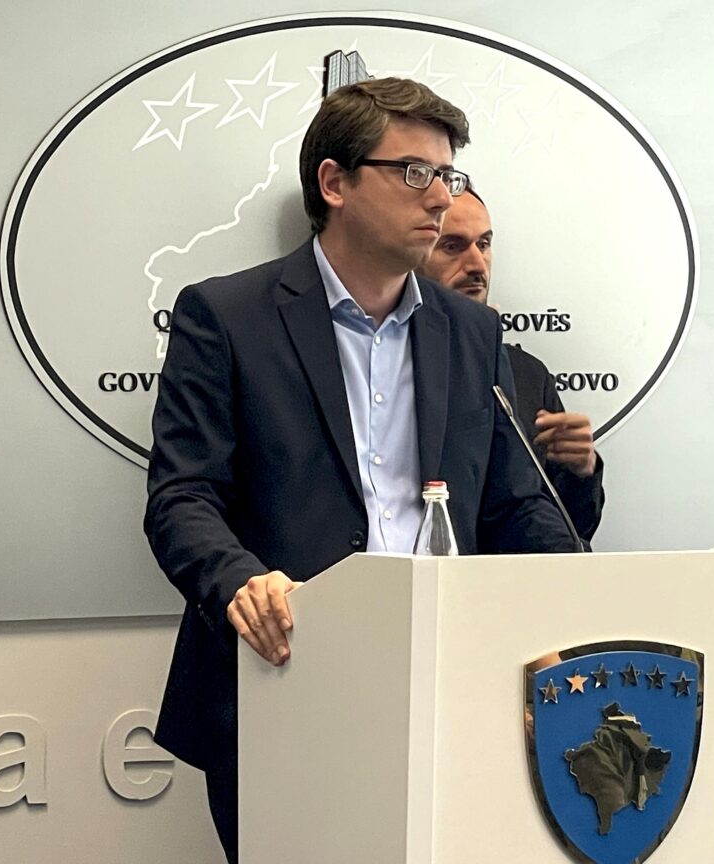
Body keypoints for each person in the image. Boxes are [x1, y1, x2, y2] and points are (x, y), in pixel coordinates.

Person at [143, 77, 580, 864]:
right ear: (335, 183)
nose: (440, 197)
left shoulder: (472, 333)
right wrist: (241, 583)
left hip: (449, 679)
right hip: (286, 676)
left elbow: (515, 506)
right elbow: (183, 496)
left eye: (446, 174)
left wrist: (571, 614)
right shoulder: (227, 317)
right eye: (414, 173)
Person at [418, 188, 606, 539]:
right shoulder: (392, 365)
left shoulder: (527, 374)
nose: (477, 265)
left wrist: (580, 470)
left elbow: (573, 530)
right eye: (452, 246)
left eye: (484, 244)